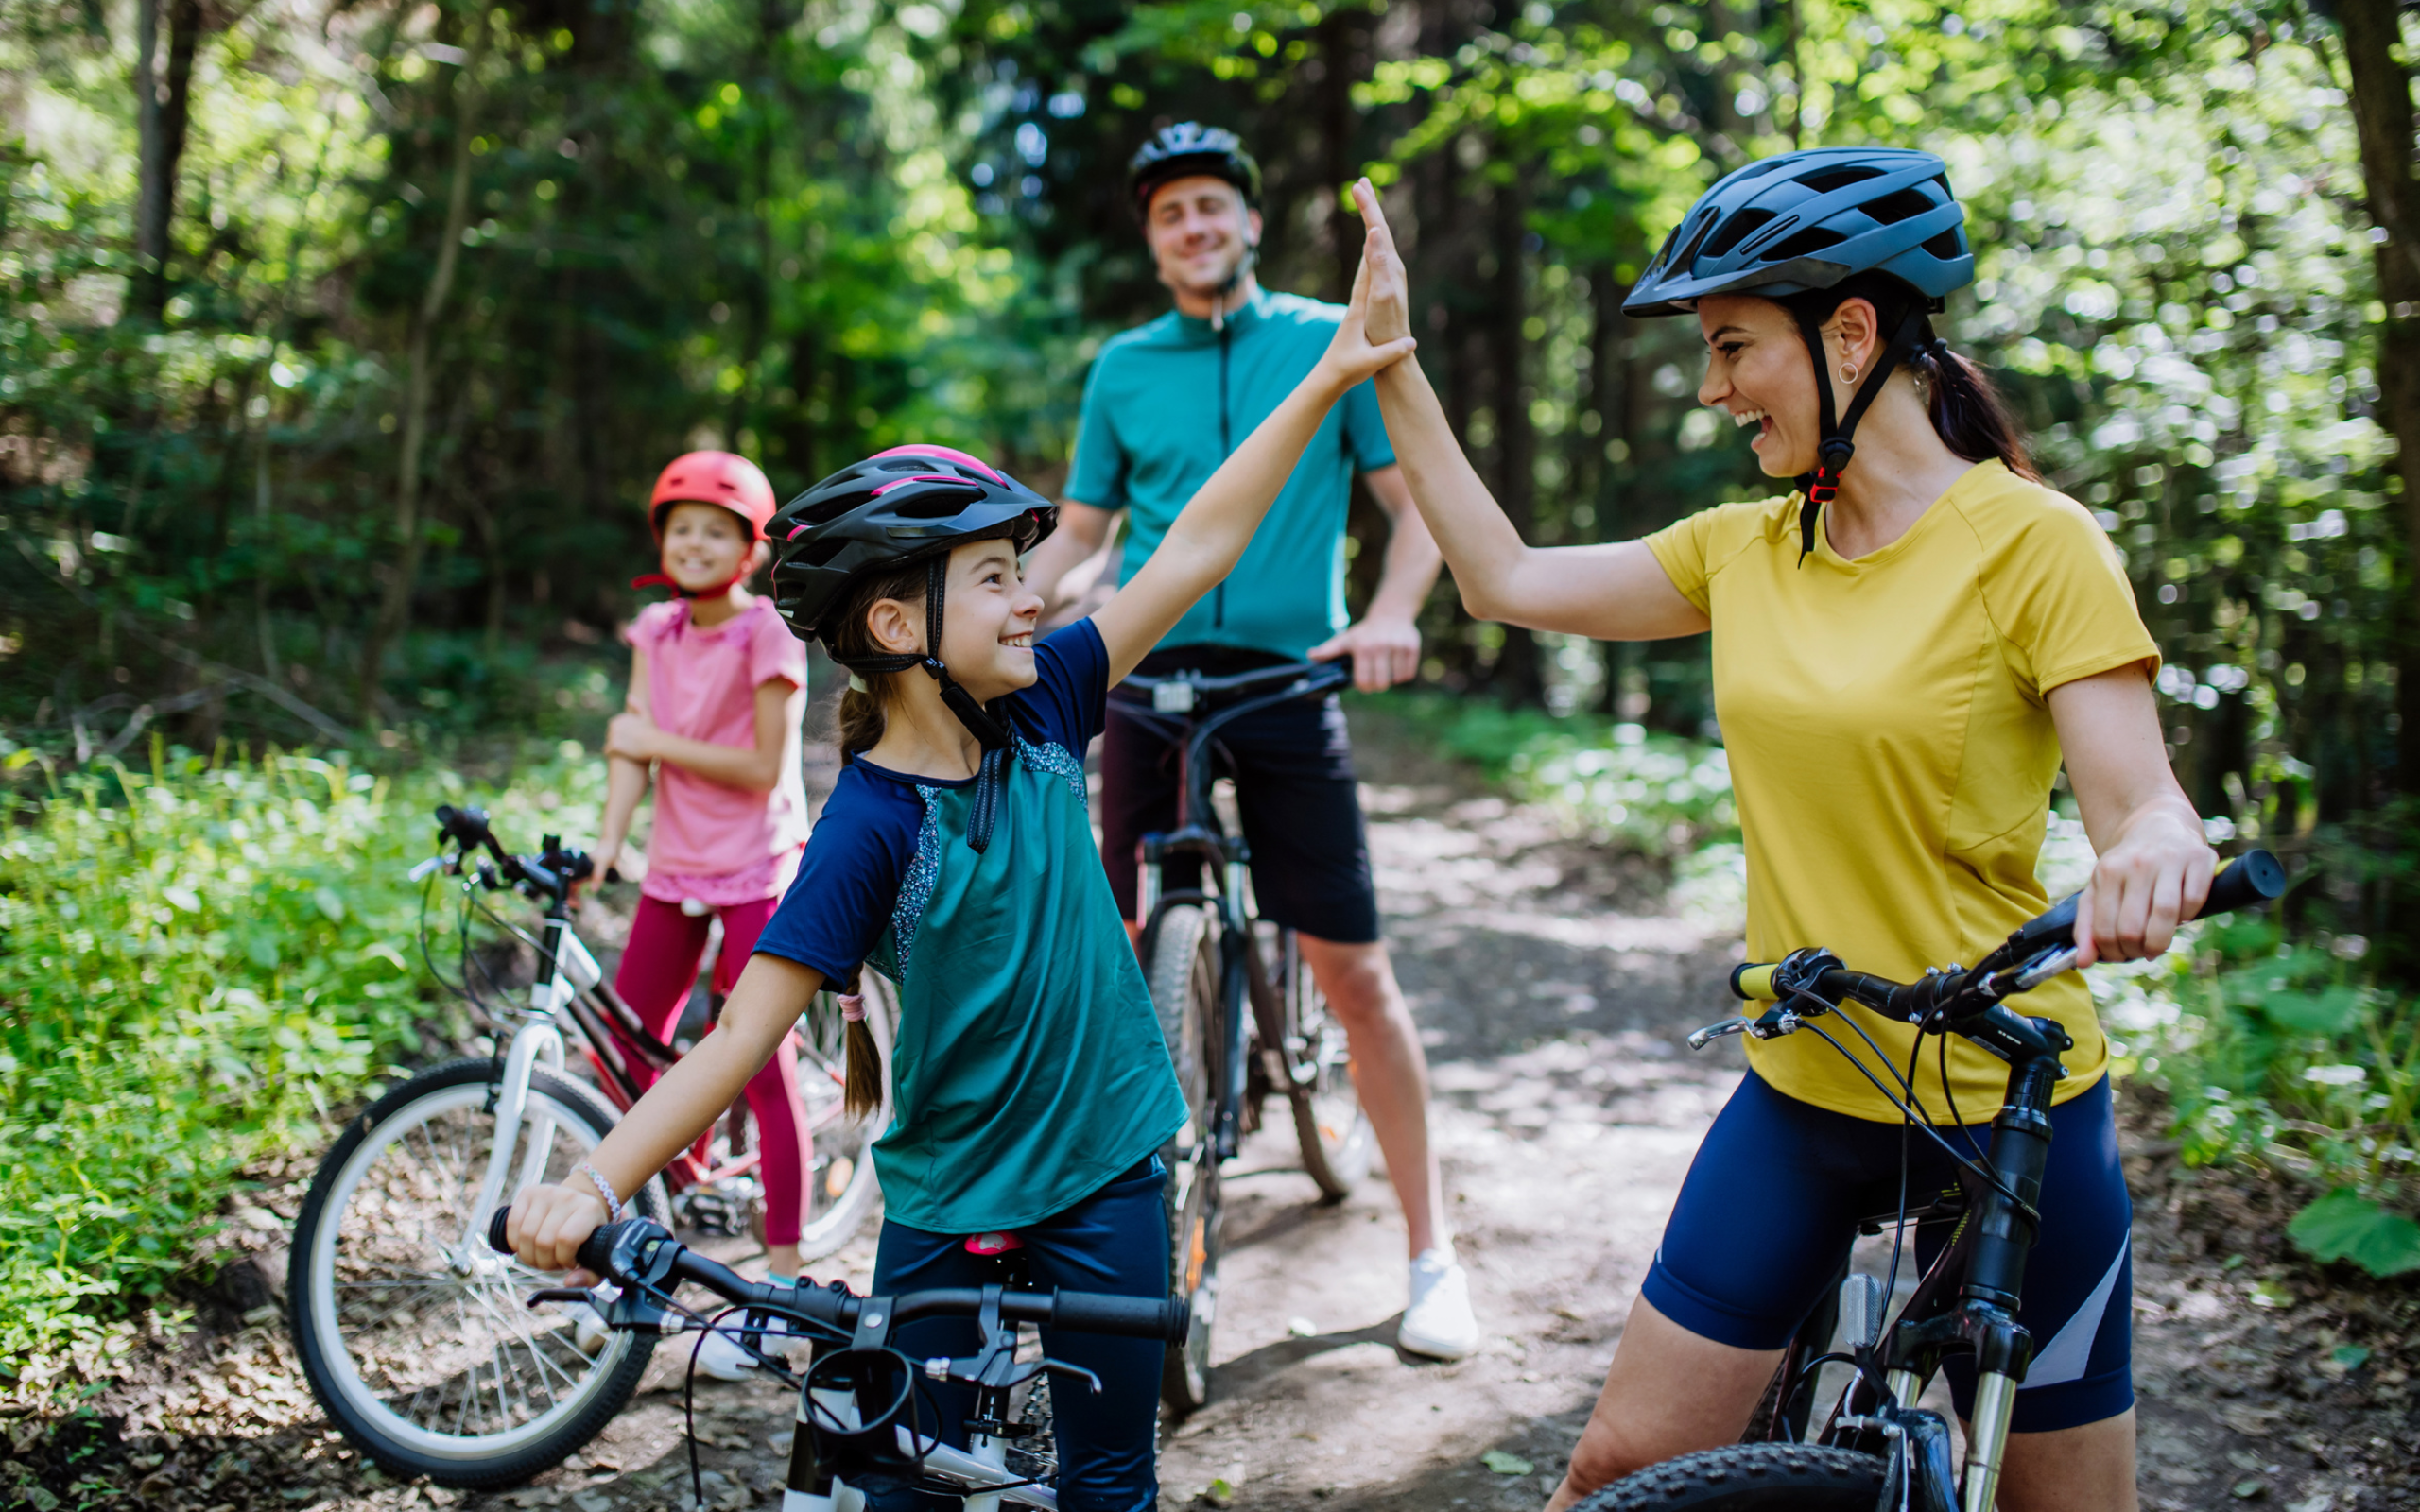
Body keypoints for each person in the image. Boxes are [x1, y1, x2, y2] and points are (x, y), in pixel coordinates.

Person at [1343, 154, 2209, 1512]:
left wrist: (2157, 848)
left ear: (1852, 334)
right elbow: (1502, 578)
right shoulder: (1744, 549)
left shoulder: (2037, 547)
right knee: (1617, 1471)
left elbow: (2139, 799)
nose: (1710, 387)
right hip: (1807, 1080)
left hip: (2008, 1105)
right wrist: (1391, 363)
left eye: (1733, 346)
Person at [506, 228, 1417, 1512]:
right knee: (904, 1489)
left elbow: (1198, 542)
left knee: (1111, 1487)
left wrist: (1327, 377)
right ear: (896, 626)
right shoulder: (867, 826)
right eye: (995, 578)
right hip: (944, 1204)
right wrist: (594, 1182)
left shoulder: (1047, 704)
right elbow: (736, 1039)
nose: (1030, 598)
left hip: (1107, 1173)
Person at [1020, 123, 1477, 1362]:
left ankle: (1432, 1254)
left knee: (1355, 973)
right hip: (1147, 673)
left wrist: (1388, 616)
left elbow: (1415, 510)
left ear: (1250, 222)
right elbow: (1080, 532)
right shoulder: (1123, 365)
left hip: (1288, 677)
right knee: (1120, 940)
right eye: (1171, 213)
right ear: (1151, 237)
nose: (1195, 227)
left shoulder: (1323, 340)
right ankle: (1102, 1216)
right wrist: (1019, 604)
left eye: (1213, 206)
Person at [583, 450, 814, 1380]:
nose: (693, 542)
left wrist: (653, 739)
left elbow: (763, 766)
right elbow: (630, 752)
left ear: (750, 549)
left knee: (761, 1067)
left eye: (715, 530)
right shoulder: (655, 629)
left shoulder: (769, 636)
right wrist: (605, 845)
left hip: (758, 864)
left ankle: (789, 1283)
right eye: (680, 527)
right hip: (674, 867)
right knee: (624, 1052)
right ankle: (627, 1256)